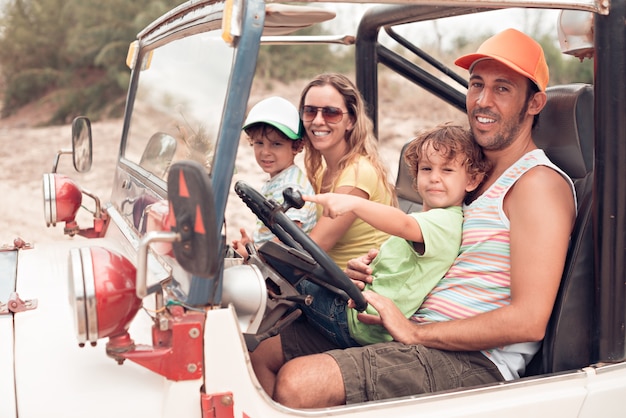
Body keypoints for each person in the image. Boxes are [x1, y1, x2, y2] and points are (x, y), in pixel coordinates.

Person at [251, 28, 577, 408]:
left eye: (502, 89)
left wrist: (415, 333)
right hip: (403, 327)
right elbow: (433, 249)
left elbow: (528, 320)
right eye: (476, 85)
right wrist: (380, 264)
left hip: (475, 360)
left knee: (299, 383)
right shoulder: (469, 174)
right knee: (261, 349)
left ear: (534, 103)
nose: (482, 101)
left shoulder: (537, 184)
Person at [298, 124, 489, 348]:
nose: (435, 177)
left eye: (447, 170)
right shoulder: (430, 220)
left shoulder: (446, 222)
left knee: (285, 280)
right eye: (426, 169)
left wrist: (354, 203)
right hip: (355, 306)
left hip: (358, 321)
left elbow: (402, 223)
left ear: (472, 180)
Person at [295, 73, 396, 270]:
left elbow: (310, 251)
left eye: (331, 113)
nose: (317, 121)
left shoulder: (358, 174)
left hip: (356, 292)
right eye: (310, 111)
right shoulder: (319, 170)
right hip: (328, 281)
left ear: (350, 121)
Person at [232, 96, 317, 258]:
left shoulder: (292, 186)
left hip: (291, 276)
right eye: (259, 143)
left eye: (276, 144)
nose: (265, 152)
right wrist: (250, 244)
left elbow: (291, 235)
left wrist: (253, 253)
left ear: (297, 146)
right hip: (272, 262)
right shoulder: (279, 179)